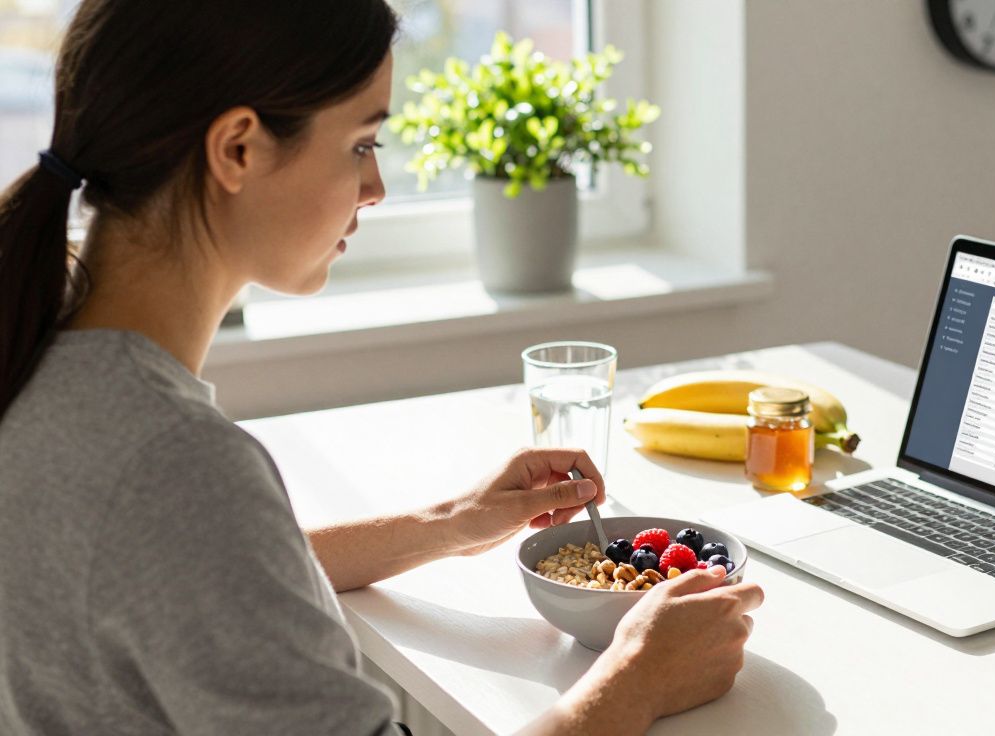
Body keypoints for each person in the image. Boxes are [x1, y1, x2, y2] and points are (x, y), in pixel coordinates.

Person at [0, 2, 764, 734]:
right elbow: (194, 531)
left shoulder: (42, 355)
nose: (376, 188)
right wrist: (637, 678)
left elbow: (197, 571)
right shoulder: (174, 464)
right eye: (362, 144)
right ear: (237, 147)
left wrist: (448, 525)